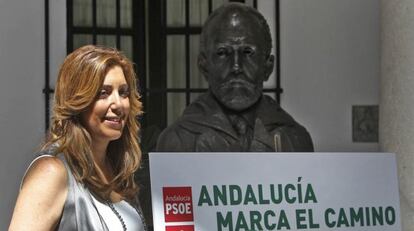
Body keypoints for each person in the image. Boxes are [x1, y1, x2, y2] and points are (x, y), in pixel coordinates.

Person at [9, 45, 147, 230]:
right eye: (103, 93)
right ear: (78, 101)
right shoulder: (51, 172)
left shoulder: (118, 170)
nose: (118, 104)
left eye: (123, 93)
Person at [156, 3, 313, 152]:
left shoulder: (295, 139)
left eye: (247, 52)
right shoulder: (176, 141)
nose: (236, 66)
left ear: (268, 66)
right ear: (204, 66)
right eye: (223, 53)